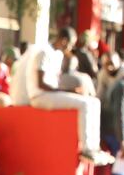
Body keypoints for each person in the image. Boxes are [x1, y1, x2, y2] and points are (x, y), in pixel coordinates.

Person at [25, 27, 102, 157]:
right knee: (85, 104)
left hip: (52, 94)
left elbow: (56, 82)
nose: (71, 48)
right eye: (71, 44)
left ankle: (95, 146)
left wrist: (72, 91)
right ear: (64, 41)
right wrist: (70, 91)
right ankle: (87, 148)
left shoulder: (58, 55)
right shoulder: (44, 52)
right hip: (40, 96)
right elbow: (41, 84)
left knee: (94, 102)